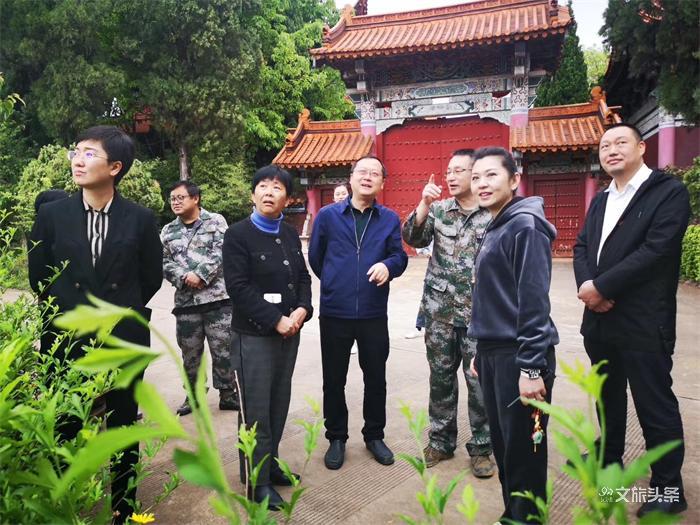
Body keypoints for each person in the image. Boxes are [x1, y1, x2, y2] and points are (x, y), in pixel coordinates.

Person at [28, 125, 163, 523]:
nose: (78, 160)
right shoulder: (53, 216)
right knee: (65, 423)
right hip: (66, 336)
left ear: (115, 167)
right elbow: (40, 277)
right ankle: (64, 504)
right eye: (76, 151)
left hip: (122, 336)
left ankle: (123, 506)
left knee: (122, 426)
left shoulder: (140, 218)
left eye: (90, 153)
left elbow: (150, 278)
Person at [573, 123, 690, 518]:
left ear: (641, 147)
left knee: (654, 403)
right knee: (607, 396)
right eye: (605, 145)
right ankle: (609, 459)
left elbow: (657, 250)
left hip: (643, 320)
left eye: (620, 142)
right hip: (599, 319)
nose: (612, 150)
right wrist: (588, 286)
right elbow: (582, 246)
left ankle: (669, 488)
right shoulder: (601, 199)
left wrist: (602, 286)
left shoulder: (667, 192)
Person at [468, 146, 558, 524]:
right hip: (495, 351)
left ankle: (526, 518)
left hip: (519, 356)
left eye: (491, 175)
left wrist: (532, 368)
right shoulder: (497, 223)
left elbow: (533, 300)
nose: (482, 183)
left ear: (515, 179)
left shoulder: (525, 226)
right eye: (476, 177)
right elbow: (493, 295)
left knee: (524, 452)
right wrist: (481, 348)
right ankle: (514, 514)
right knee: (506, 447)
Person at [309, 155, 408, 470]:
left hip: (372, 313)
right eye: (362, 172)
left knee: (376, 378)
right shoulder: (327, 216)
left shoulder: (389, 219)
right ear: (351, 178)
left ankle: (374, 435)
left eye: (374, 173)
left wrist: (388, 266)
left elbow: (400, 257)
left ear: (382, 183)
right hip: (335, 312)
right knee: (333, 379)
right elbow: (316, 258)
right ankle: (336, 437)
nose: (367, 177)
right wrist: (337, 282)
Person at [223, 165, 312, 510]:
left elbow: (302, 277)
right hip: (255, 336)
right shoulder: (237, 235)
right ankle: (256, 482)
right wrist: (276, 320)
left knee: (278, 403)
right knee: (255, 410)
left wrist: (302, 309)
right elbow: (238, 288)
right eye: (262, 186)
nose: (269, 192)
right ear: (252, 194)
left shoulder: (288, 233)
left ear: (287, 198)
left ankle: (270, 463)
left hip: (289, 333)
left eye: (277, 187)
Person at [402, 150, 494, 477]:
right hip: (439, 312)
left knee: (479, 383)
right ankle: (440, 442)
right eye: (448, 171)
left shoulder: (493, 212)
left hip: (479, 315)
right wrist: (424, 204)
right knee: (440, 380)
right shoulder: (439, 210)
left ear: (475, 173)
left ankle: (482, 447)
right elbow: (412, 237)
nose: (451, 177)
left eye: (459, 171)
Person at [161, 181, 237, 416]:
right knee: (190, 353)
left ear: (195, 199)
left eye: (180, 198)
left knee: (224, 350)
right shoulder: (168, 231)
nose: (175, 202)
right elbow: (163, 261)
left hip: (217, 300)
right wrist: (184, 277)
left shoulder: (216, 221)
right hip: (186, 303)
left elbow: (221, 251)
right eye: (172, 199)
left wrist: (201, 275)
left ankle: (228, 394)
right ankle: (193, 395)